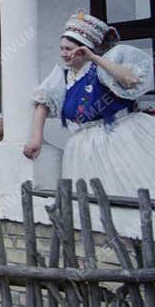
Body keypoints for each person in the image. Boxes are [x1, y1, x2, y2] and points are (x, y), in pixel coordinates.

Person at [24, 11, 154, 197]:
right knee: (91, 198)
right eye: (62, 48)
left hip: (117, 136)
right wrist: (36, 139)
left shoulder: (103, 67)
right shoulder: (62, 76)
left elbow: (131, 80)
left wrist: (94, 58)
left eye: (69, 49)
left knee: (127, 186)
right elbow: (41, 105)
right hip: (83, 144)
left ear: (85, 49)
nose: (64, 54)